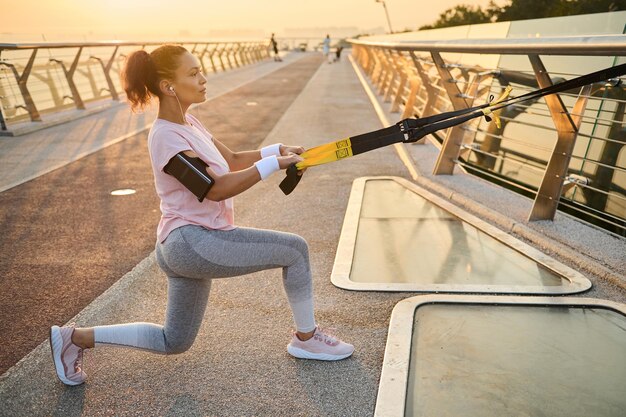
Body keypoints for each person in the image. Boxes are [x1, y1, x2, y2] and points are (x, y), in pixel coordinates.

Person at [49, 44, 354, 386]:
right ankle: (307, 338)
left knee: (174, 340)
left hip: (185, 244)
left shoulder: (190, 122)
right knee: (294, 250)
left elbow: (234, 159)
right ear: (168, 86)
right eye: (193, 74)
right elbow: (214, 188)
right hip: (192, 243)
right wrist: (271, 166)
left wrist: (277, 151)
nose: (203, 79)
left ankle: (74, 338)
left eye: (201, 71)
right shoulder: (167, 138)